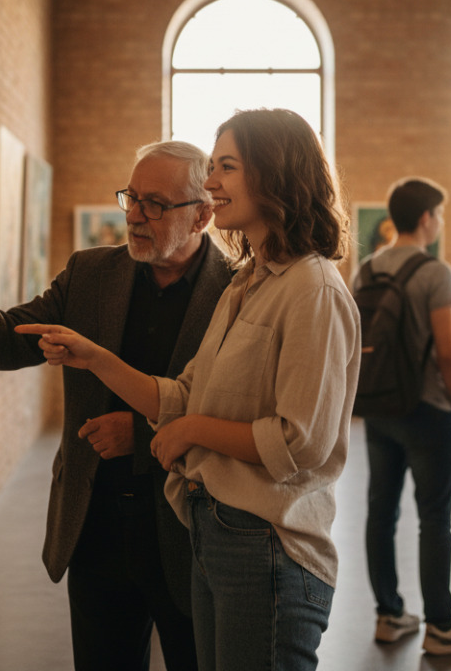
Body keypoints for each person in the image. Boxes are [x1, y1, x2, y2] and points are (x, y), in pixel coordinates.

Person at [18, 108, 361, 671]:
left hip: (269, 545)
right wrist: (94, 357)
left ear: (275, 174)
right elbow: (182, 394)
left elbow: (301, 443)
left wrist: (192, 431)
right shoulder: (248, 284)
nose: (212, 181)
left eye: (226, 166)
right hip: (217, 531)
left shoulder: (312, 289)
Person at [0, 140, 234, 671]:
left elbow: (237, 411)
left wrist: (141, 434)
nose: (134, 216)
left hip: (191, 532)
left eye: (155, 205)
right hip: (95, 523)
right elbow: (8, 340)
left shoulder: (236, 291)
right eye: (131, 198)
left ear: (202, 216)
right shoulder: (91, 274)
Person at [353, 178, 451, 654]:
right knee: (434, 518)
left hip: (378, 406)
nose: (441, 222)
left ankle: (389, 615)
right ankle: (441, 626)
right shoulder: (435, 272)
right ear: (427, 217)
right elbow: (448, 351)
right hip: (426, 408)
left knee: (380, 512)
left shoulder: (366, 270)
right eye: (441, 214)